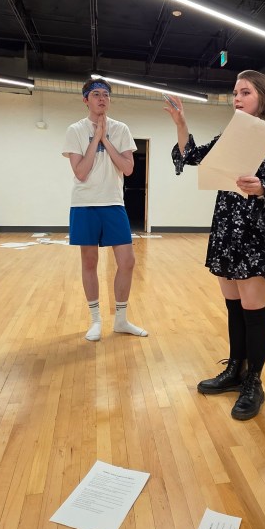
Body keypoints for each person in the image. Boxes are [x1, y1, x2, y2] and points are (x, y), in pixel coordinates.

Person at [165, 70, 265, 421]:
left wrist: (263, 186)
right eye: (234, 93)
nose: (236, 98)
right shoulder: (232, 134)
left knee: (254, 310)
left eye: (245, 92)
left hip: (258, 232)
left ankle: (254, 382)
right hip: (227, 229)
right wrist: (181, 123)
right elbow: (192, 156)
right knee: (234, 308)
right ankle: (235, 370)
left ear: (262, 98)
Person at [62, 78, 148, 342]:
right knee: (89, 262)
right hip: (85, 203)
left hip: (113, 203)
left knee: (127, 261)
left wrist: (105, 139)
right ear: (85, 99)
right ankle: (96, 320)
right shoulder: (75, 130)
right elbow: (81, 171)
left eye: (106, 95)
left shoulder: (121, 129)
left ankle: (121, 319)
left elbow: (128, 168)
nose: (102, 99)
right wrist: (94, 139)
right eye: (96, 94)